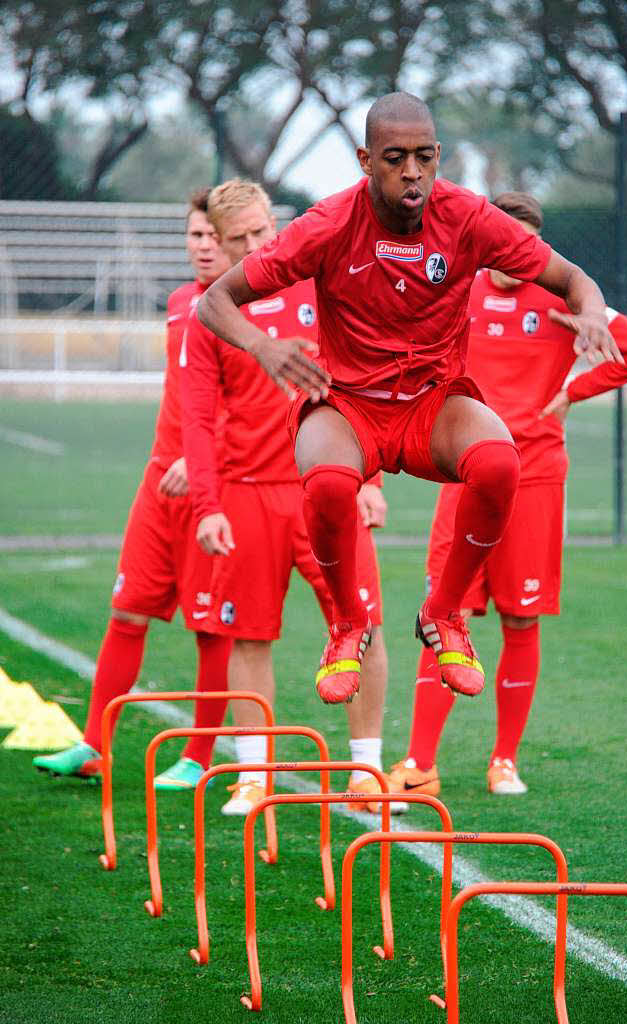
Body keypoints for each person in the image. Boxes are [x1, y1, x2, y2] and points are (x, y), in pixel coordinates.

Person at [196, 92, 623, 712]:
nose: (413, 172)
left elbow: (572, 277)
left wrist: (588, 314)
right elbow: (216, 302)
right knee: (330, 484)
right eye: (396, 158)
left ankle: (446, 613)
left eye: (425, 157)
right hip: (349, 403)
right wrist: (263, 347)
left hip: (432, 405)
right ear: (366, 159)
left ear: (439, 156)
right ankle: (347, 624)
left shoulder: (470, 218)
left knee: (502, 463)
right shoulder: (327, 224)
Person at [387, 191, 627, 803]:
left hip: (534, 475)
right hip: (461, 472)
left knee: (521, 617)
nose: (511, 256)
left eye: (524, 245)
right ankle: (418, 761)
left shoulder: (566, 296)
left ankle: (504, 761)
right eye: (501, 242)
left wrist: (575, 391)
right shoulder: (455, 291)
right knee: (443, 612)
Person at [181, 179, 389, 814]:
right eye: (239, 237)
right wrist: (208, 505)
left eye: (261, 231)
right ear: (217, 240)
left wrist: (371, 480)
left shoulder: (322, 283)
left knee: (364, 628)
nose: (254, 245)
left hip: (328, 485)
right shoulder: (212, 311)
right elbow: (196, 417)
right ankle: (254, 774)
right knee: (248, 637)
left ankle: (367, 771)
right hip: (246, 497)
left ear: (277, 224)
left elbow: (367, 380)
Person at [33, 190, 233, 784]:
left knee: (210, 624)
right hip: (159, 480)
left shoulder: (249, 310)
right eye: (195, 235)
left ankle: (198, 757)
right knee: (126, 610)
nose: (203, 247)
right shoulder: (178, 304)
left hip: (212, 488)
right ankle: (93, 746)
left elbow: (255, 406)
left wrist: (206, 464)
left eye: (214, 237)